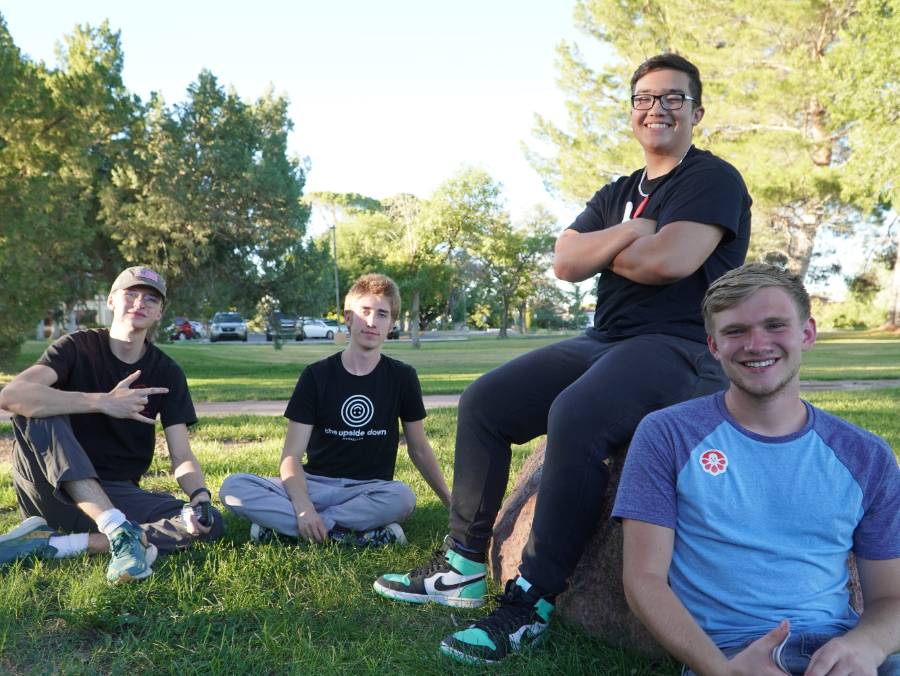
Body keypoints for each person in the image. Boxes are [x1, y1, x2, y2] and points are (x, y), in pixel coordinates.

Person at [374, 52, 752, 665]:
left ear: (696, 111)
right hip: (604, 338)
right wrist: (633, 231)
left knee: (577, 412)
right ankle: (465, 565)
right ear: (632, 112)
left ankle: (531, 600)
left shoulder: (713, 179)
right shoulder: (618, 192)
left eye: (673, 98)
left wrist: (608, 248)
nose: (657, 107)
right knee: (485, 402)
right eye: (645, 98)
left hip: (681, 345)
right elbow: (566, 262)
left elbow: (671, 263)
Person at [613, 263, 900, 675]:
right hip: (730, 656)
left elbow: (891, 597)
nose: (756, 344)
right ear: (713, 346)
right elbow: (643, 580)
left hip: (841, 648)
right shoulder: (668, 435)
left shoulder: (865, 455)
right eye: (735, 331)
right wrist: (720, 670)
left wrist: (867, 645)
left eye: (774, 325)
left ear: (807, 333)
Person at [0, 266, 222, 583]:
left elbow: (182, 455)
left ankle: (61, 544)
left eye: (150, 299)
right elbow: (12, 395)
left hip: (117, 492)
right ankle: (119, 530)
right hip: (53, 489)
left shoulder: (167, 372)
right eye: (130, 294)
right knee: (36, 408)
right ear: (111, 301)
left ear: (159, 313)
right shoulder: (76, 347)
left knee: (206, 524)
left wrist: (200, 496)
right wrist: (101, 401)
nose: (139, 303)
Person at [219, 273, 450, 547]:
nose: (372, 322)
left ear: (392, 325)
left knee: (403, 498)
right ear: (348, 317)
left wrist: (451, 502)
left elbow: (419, 448)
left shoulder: (402, 377)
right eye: (364, 311)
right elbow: (291, 455)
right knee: (234, 487)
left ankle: (289, 531)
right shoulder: (316, 375)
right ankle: (353, 534)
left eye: (382, 314)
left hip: (369, 490)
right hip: (314, 484)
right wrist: (304, 507)